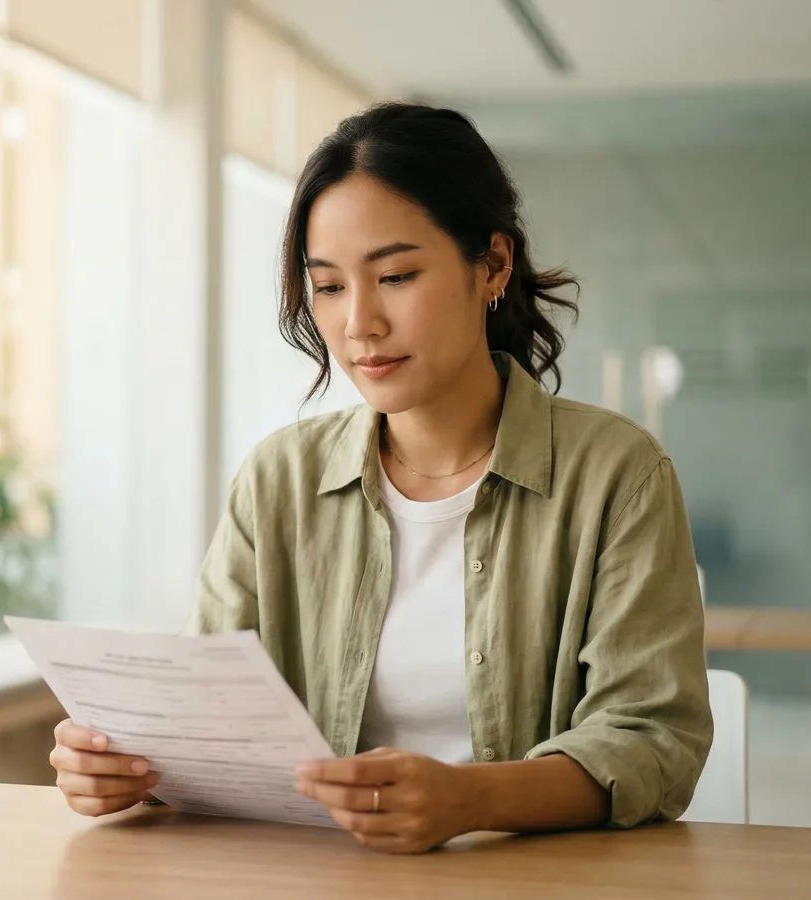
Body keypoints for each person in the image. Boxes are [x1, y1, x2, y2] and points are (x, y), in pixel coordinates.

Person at [48, 102, 711, 854]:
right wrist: (128, 766)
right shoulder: (278, 479)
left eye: (394, 275)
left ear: (492, 265)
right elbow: (207, 722)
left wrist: (469, 799)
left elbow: (654, 739)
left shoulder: (617, 475)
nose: (359, 323)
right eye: (328, 287)